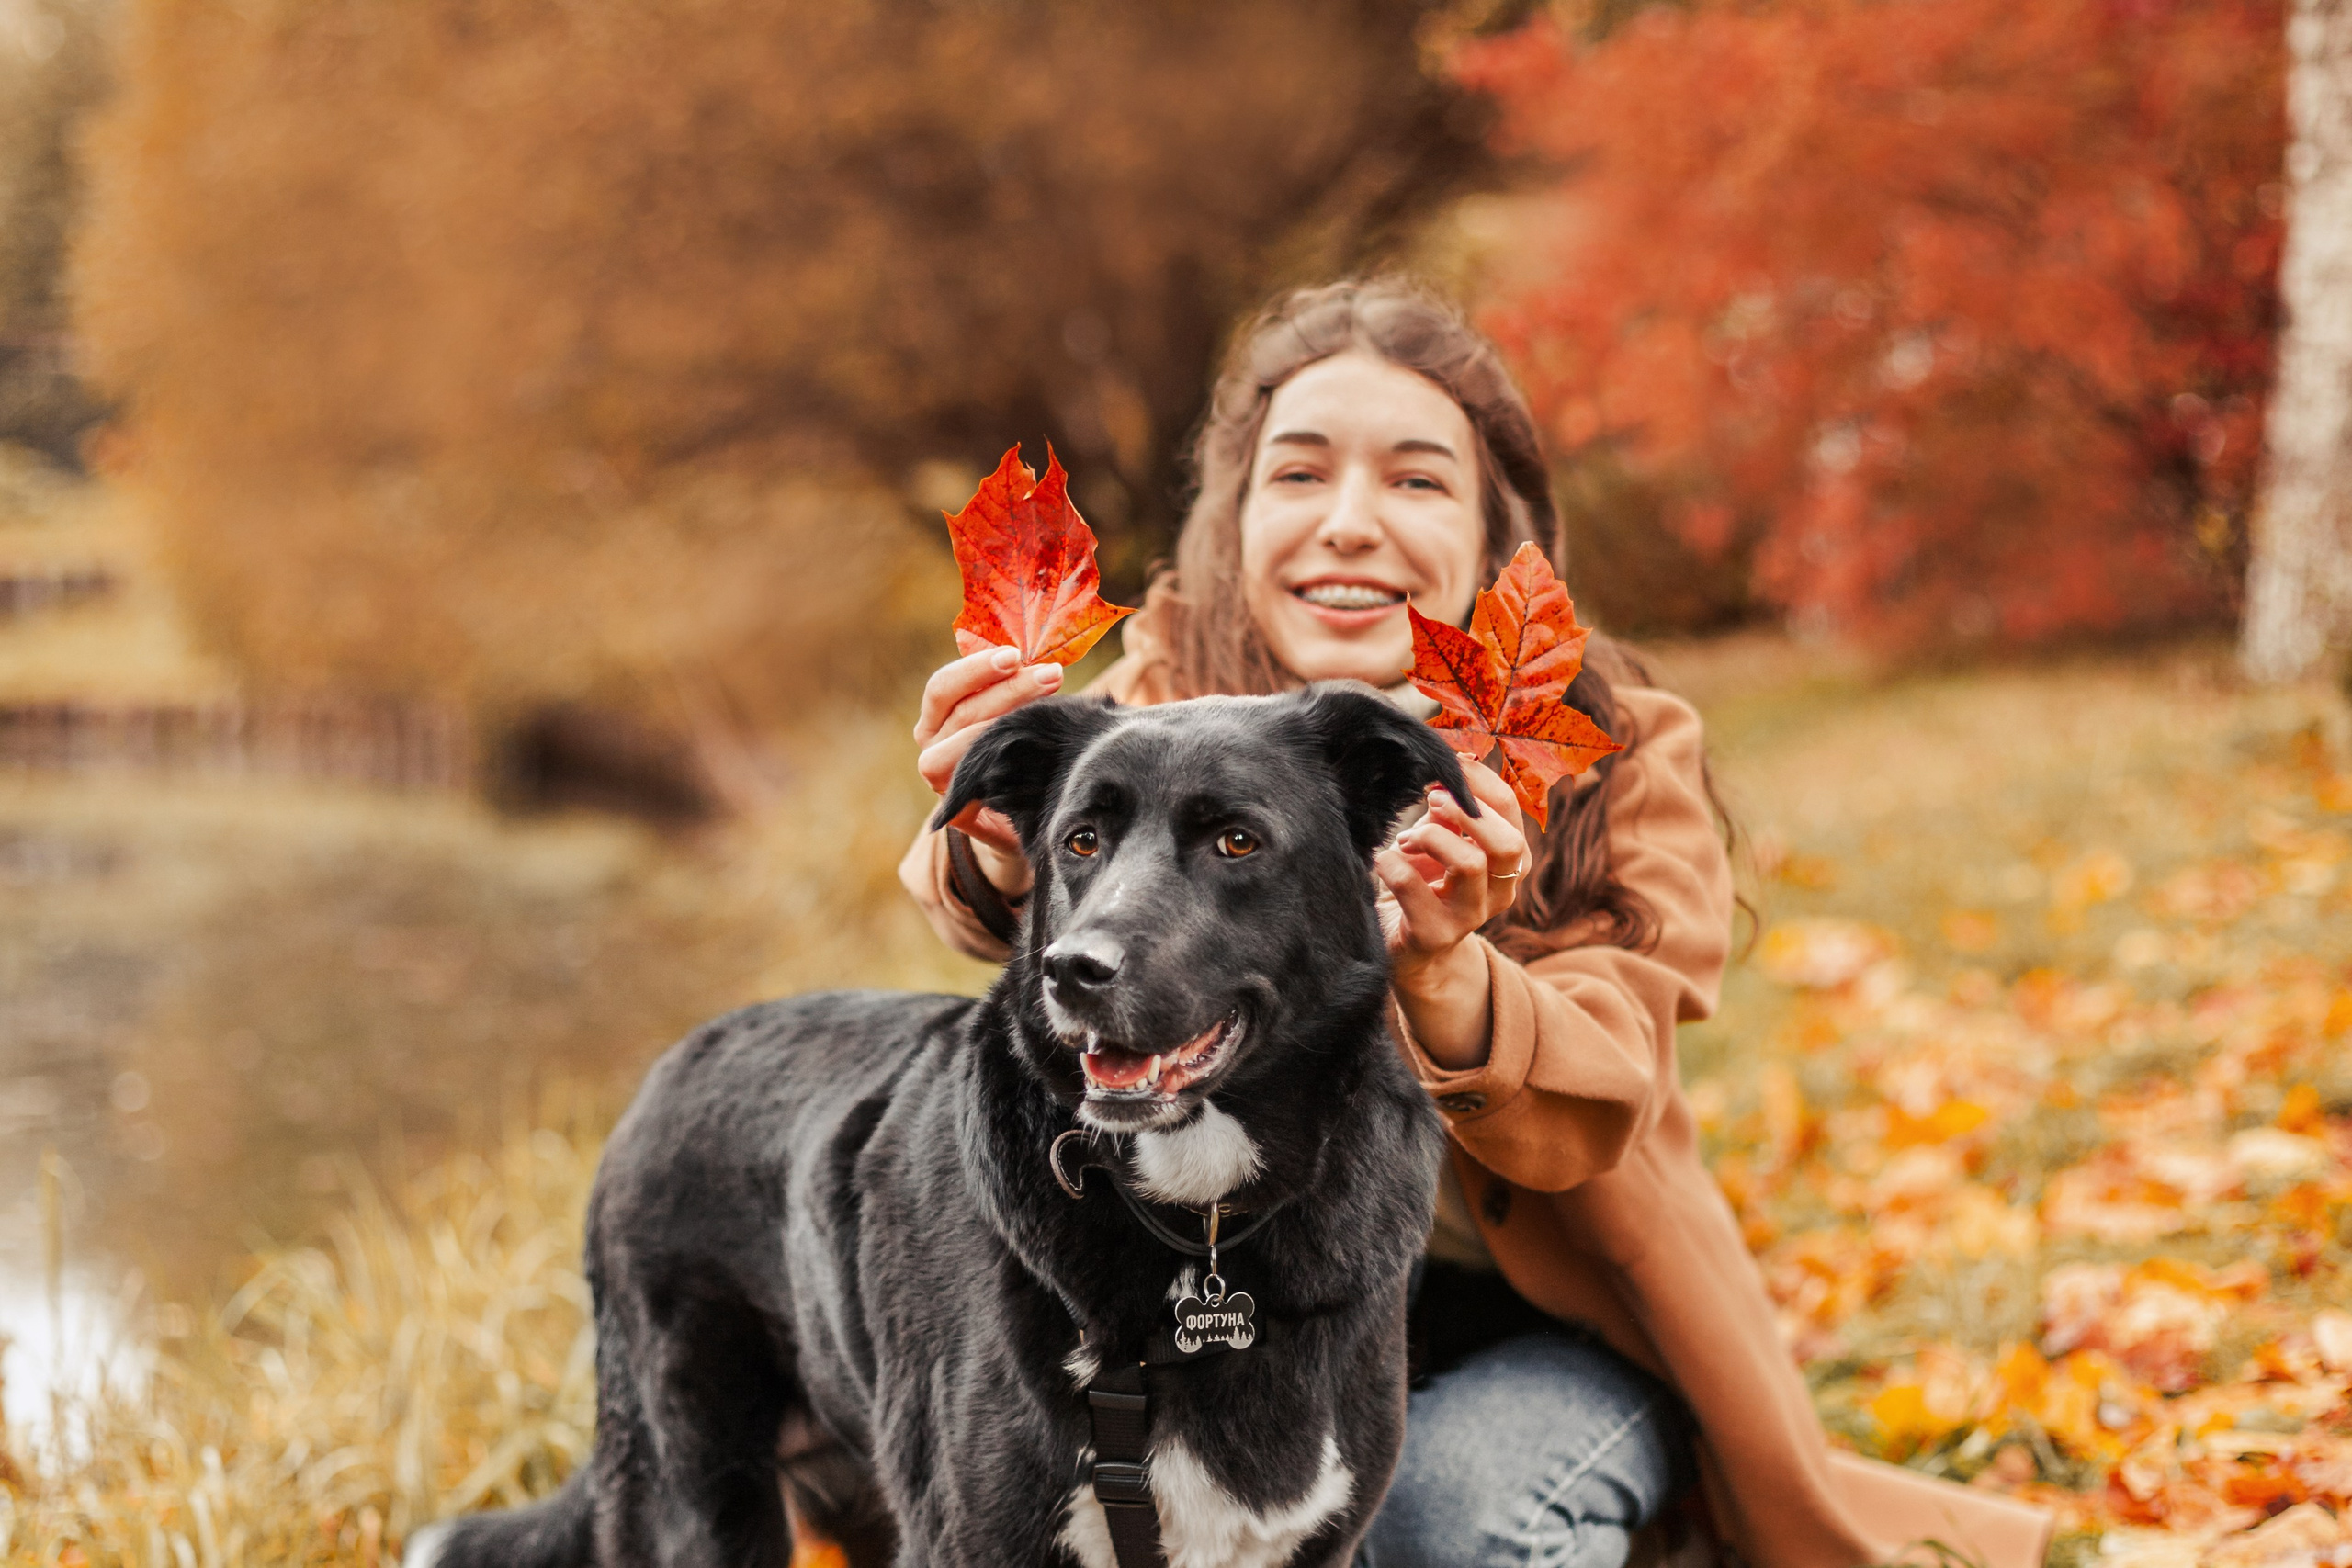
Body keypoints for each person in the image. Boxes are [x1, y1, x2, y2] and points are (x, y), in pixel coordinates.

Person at [899, 280, 2052, 1568]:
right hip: (1251, 1302)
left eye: (1415, 480)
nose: (1349, 521)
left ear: (1499, 530)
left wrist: (1445, 969)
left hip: (1546, 1318)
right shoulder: (1158, 711)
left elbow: (1608, 1085)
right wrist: (995, 848)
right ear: (1234, 519)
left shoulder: (1612, 754)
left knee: (1434, 1525)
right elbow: (1049, 918)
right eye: (1299, 474)